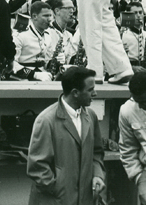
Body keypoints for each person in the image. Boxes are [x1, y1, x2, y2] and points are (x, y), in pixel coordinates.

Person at [27, 66, 105, 205]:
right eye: (90, 90)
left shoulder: (91, 116)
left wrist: (97, 175)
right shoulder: (46, 120)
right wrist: (59, 189)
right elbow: (37, 167)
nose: (95, 93)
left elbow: (96, 153)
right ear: (75, 92)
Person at [118, 70, 146, 203]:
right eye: (137, 101)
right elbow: (127, 149)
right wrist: (140, 179)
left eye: (145, 101)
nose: (140, 106)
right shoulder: (127, 110)